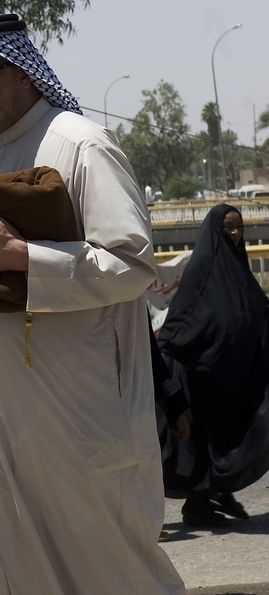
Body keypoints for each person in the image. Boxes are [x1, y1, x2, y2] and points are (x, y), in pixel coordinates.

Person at [0, 13, 184, 595]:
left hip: (73, 424)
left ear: (25, 71)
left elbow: (132, 263)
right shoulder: (2, 153)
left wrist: (24, 256)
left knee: (108, 572)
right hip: (6, 426)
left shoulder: (79, 144)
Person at [156, 204, 269, 527]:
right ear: (216, 230)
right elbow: (184, 314)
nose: (235, 233)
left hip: (227, 371)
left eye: (238, 227)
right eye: (229, 227)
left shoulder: (239, 268)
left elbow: (250, 307)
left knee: (223, 435)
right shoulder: (204, 265)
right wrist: (164, 352)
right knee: (198, 440)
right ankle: (198, 502)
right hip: (196, 371)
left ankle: (208, 497)